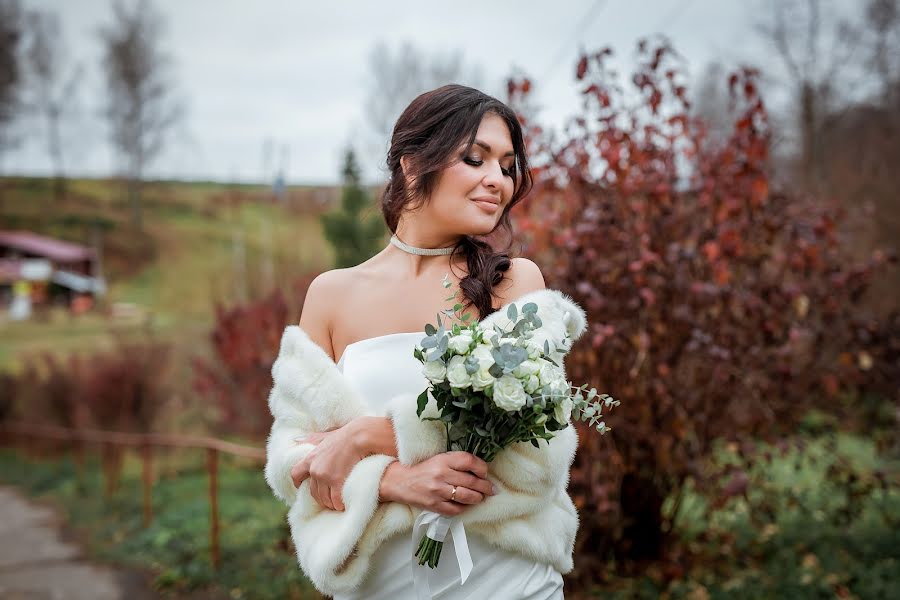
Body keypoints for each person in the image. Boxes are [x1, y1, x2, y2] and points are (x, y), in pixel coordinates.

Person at [275, 84, 571, 598]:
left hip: (508, 581)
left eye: (506, 166)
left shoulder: (514, 284)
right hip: (379, 585)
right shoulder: (330, 295)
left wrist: (364, 437)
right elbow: (293, 458)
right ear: (413, 165)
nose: (496, 181)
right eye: (475, 159)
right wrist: (390, 480)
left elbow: (534, 452)